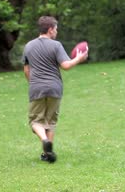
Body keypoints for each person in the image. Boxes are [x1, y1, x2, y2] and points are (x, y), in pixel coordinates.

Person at [23, 16, 88, 163]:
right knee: (50, 121)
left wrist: (33, 83)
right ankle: (47, 153)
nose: (56, 32)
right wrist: (79, 58)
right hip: (54, 87)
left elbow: (26, 70)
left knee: (35, 121)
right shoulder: (56, 45)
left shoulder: (28, 46)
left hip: (36, 87)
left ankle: (45, 141)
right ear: (50, 29)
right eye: (56, 29)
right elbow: (66, 66)